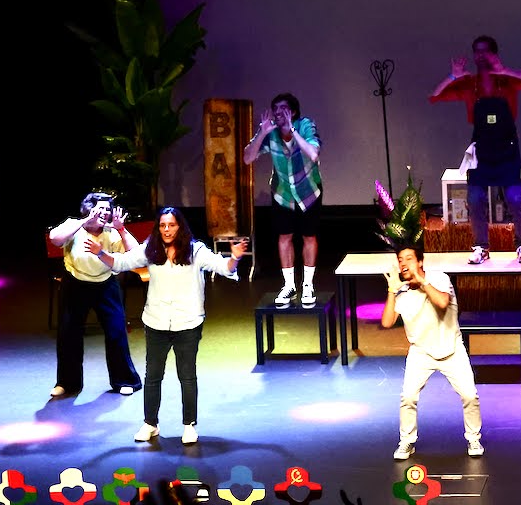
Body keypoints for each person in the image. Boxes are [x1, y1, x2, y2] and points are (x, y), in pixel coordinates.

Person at [87, 206, 247, 445]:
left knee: (187, 377)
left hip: (188, 323)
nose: (167, 230)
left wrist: (234, 257)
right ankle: (150, 424)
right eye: (162, 225)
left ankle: (189, 425)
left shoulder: (195, 250)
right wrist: (100, 253)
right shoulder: (151, 248)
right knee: (153, 376)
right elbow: (120, 263)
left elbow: (224, 268)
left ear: (180, 226)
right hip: (156, 322)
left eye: (171, 225)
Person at [430, 35, 521, 265]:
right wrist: (453, 76)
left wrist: (505, 70)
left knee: (515, 198)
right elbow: (435, 96)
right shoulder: (469, 83)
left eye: (485, 51)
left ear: (494, 54)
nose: (480, 56)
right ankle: (481, 246)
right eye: (477, 51)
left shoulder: (507, 80)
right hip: (481, 149)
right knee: (475, 197)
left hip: (507, 148)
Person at [381, 244, 484, 460]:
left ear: (420, 262)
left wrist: (422, 282)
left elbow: (442, 302)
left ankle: (473, 438)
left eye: (409, 258)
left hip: (451, 348)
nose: (403, 263)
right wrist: (391, 291)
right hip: (420, 352)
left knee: (469, 395)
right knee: (408, 397)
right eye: (400, 260)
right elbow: (387, 322)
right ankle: (407, 441)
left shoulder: (438, 278)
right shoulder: (402, 292)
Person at [47, 192, 143, 399]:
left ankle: (125, 380)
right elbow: (54, 238)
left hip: (105, 284)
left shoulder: (111, 232)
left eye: (108, 209)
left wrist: (121, 229)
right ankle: (67, 383)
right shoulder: (74, 225)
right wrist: (84, 221)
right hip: (75, 283)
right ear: (88, 209)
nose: (105, 213)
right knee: (69, 334)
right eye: (100, 208)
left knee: (116, 331)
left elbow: (136, 255)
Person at [242, 92, 323, 307]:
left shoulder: (305, 125)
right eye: (275, 109)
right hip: (283, 193)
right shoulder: (270, 132)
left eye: (283, 109)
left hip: (308, 190)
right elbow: (248, 158)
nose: (278, 113)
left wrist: (293, 131)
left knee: (309, 236)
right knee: (284, 236)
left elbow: (314, 154)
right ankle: (289, 285)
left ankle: (308, 285)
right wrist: (262, 133)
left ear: (293, 112)